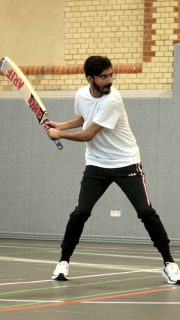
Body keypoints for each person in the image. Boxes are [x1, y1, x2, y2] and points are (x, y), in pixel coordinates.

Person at [45, 55, 180, 284]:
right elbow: (84, 118)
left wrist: (60, 135)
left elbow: (88, 133)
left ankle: (169, 263)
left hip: (126, 162)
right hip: (97, 164)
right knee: (81, 212)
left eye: (111, 75)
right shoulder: (81, 95)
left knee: (145, 211)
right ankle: (63, 262)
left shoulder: (113, 100)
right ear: (90, 79)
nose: (109, 80)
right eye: (104, 77)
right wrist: (61, 124)